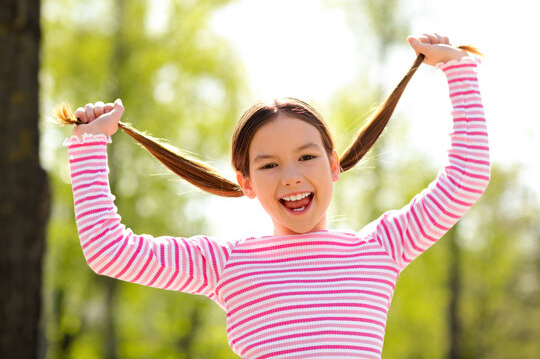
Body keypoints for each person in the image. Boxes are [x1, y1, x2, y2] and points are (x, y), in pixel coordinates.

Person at [60, 34, 490, 358]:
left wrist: (457, 70)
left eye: (306, 157)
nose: (291, 177)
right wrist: (89, 145)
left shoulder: (379, 248)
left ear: (333, 164)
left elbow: (465, 179)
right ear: (246, 182)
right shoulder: (225, 265)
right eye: (268, 165)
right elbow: (109, 250)